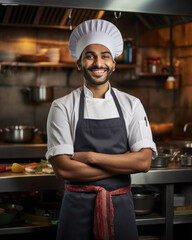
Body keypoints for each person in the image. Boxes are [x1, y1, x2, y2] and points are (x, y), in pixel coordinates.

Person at [46, 19, 157, 240]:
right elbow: (64, 170)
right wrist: (124, 164)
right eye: (90, 55)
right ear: (79, 64)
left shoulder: (131, 104)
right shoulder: (62, 106)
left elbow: (143, 162)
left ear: (113, 63)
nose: (98, 63)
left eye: (105, 56)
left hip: (120, 208)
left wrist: (89, 157)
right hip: (76, 209)